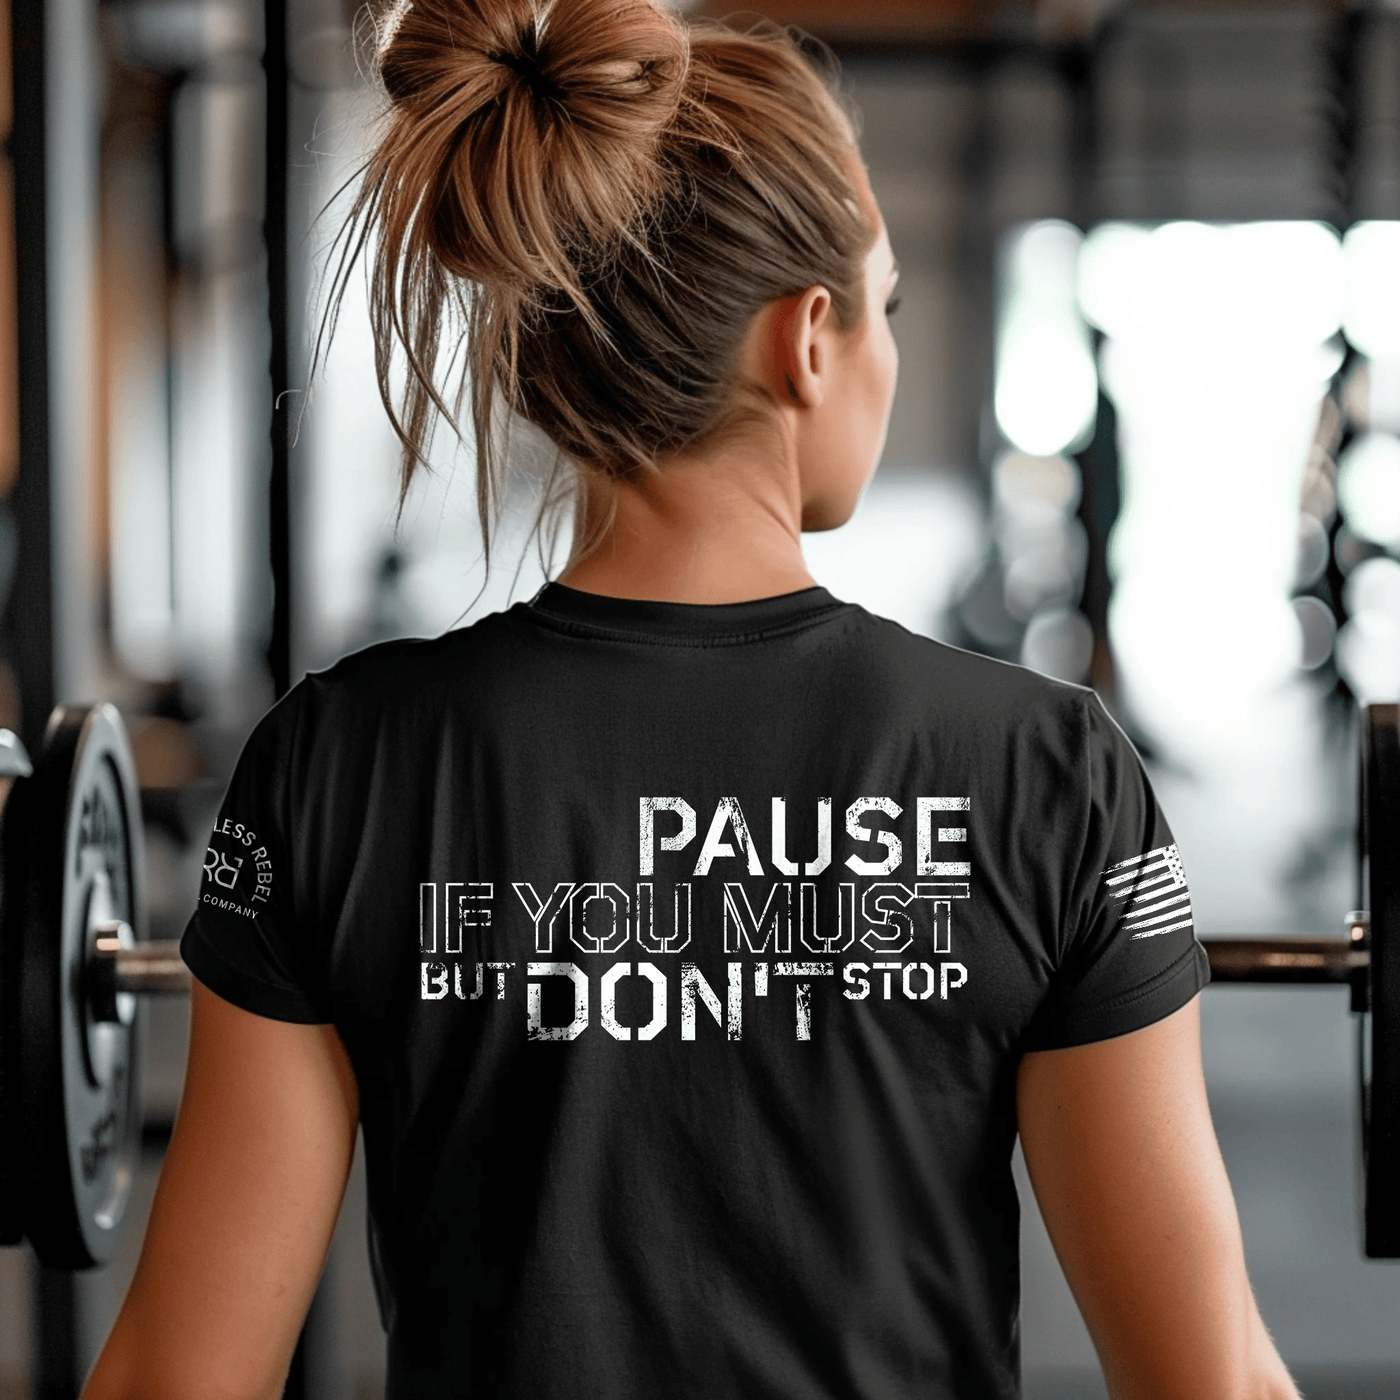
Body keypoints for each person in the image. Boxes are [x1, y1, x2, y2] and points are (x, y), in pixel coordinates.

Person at [84, 1, 1300, 1396]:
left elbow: (180, 1377)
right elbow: (1208, 1382)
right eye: (888, 306)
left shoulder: (333, 765)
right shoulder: (1048, 774)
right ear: (808, 341)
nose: (892, 349)